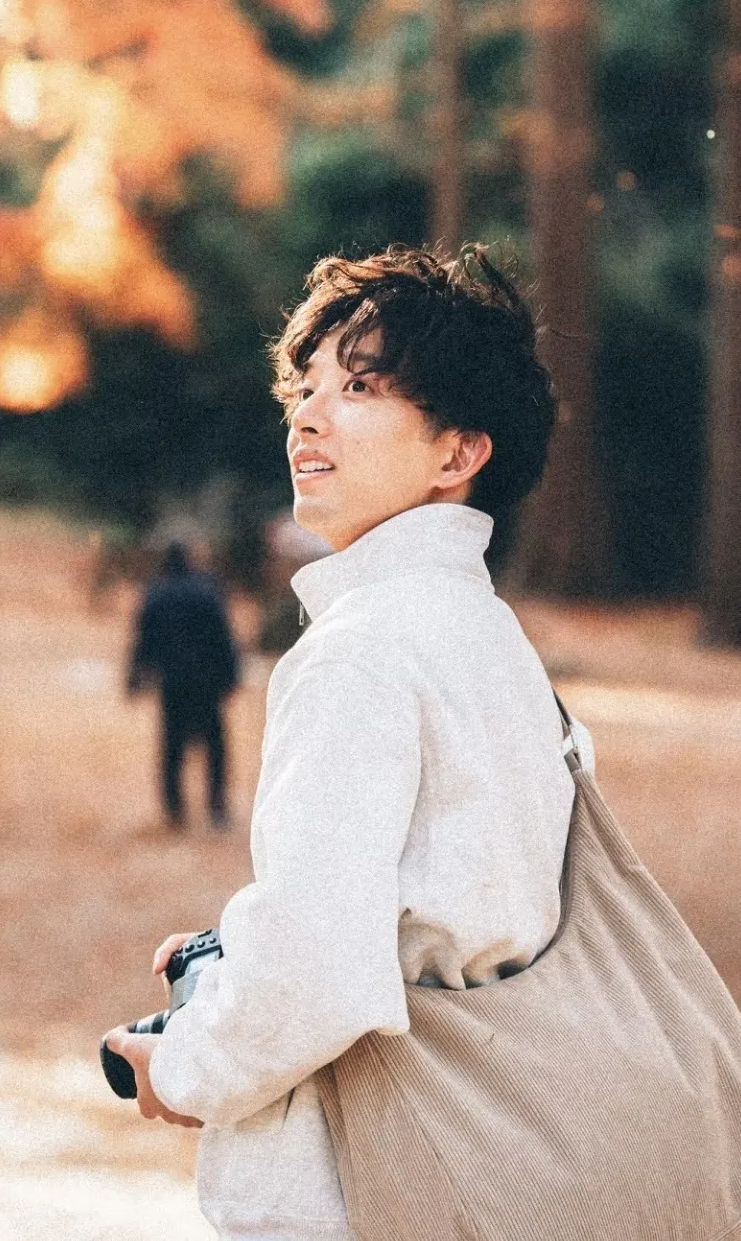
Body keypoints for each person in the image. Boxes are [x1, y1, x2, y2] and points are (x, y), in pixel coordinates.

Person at [106, 245, 596, 1237]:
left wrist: (184, 1064)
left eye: (361, 387)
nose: (308, 415)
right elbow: (448, 916)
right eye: (307, 387)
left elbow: (321, 972)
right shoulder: (495, 644)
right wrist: (238, 957)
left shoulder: (361, 653)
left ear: (458, 454)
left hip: (362, 1188)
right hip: (491, 1161)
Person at [127, 540, 240, 830]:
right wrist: (231, 675)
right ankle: (216, 806)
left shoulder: (157, 593)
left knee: (172, 746)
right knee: (214, 746)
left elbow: (143, 640)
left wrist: (135, 677)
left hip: (173, 681)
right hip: (206, 682)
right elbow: (223, 637)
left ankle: (174, 808)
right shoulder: (207, 592)